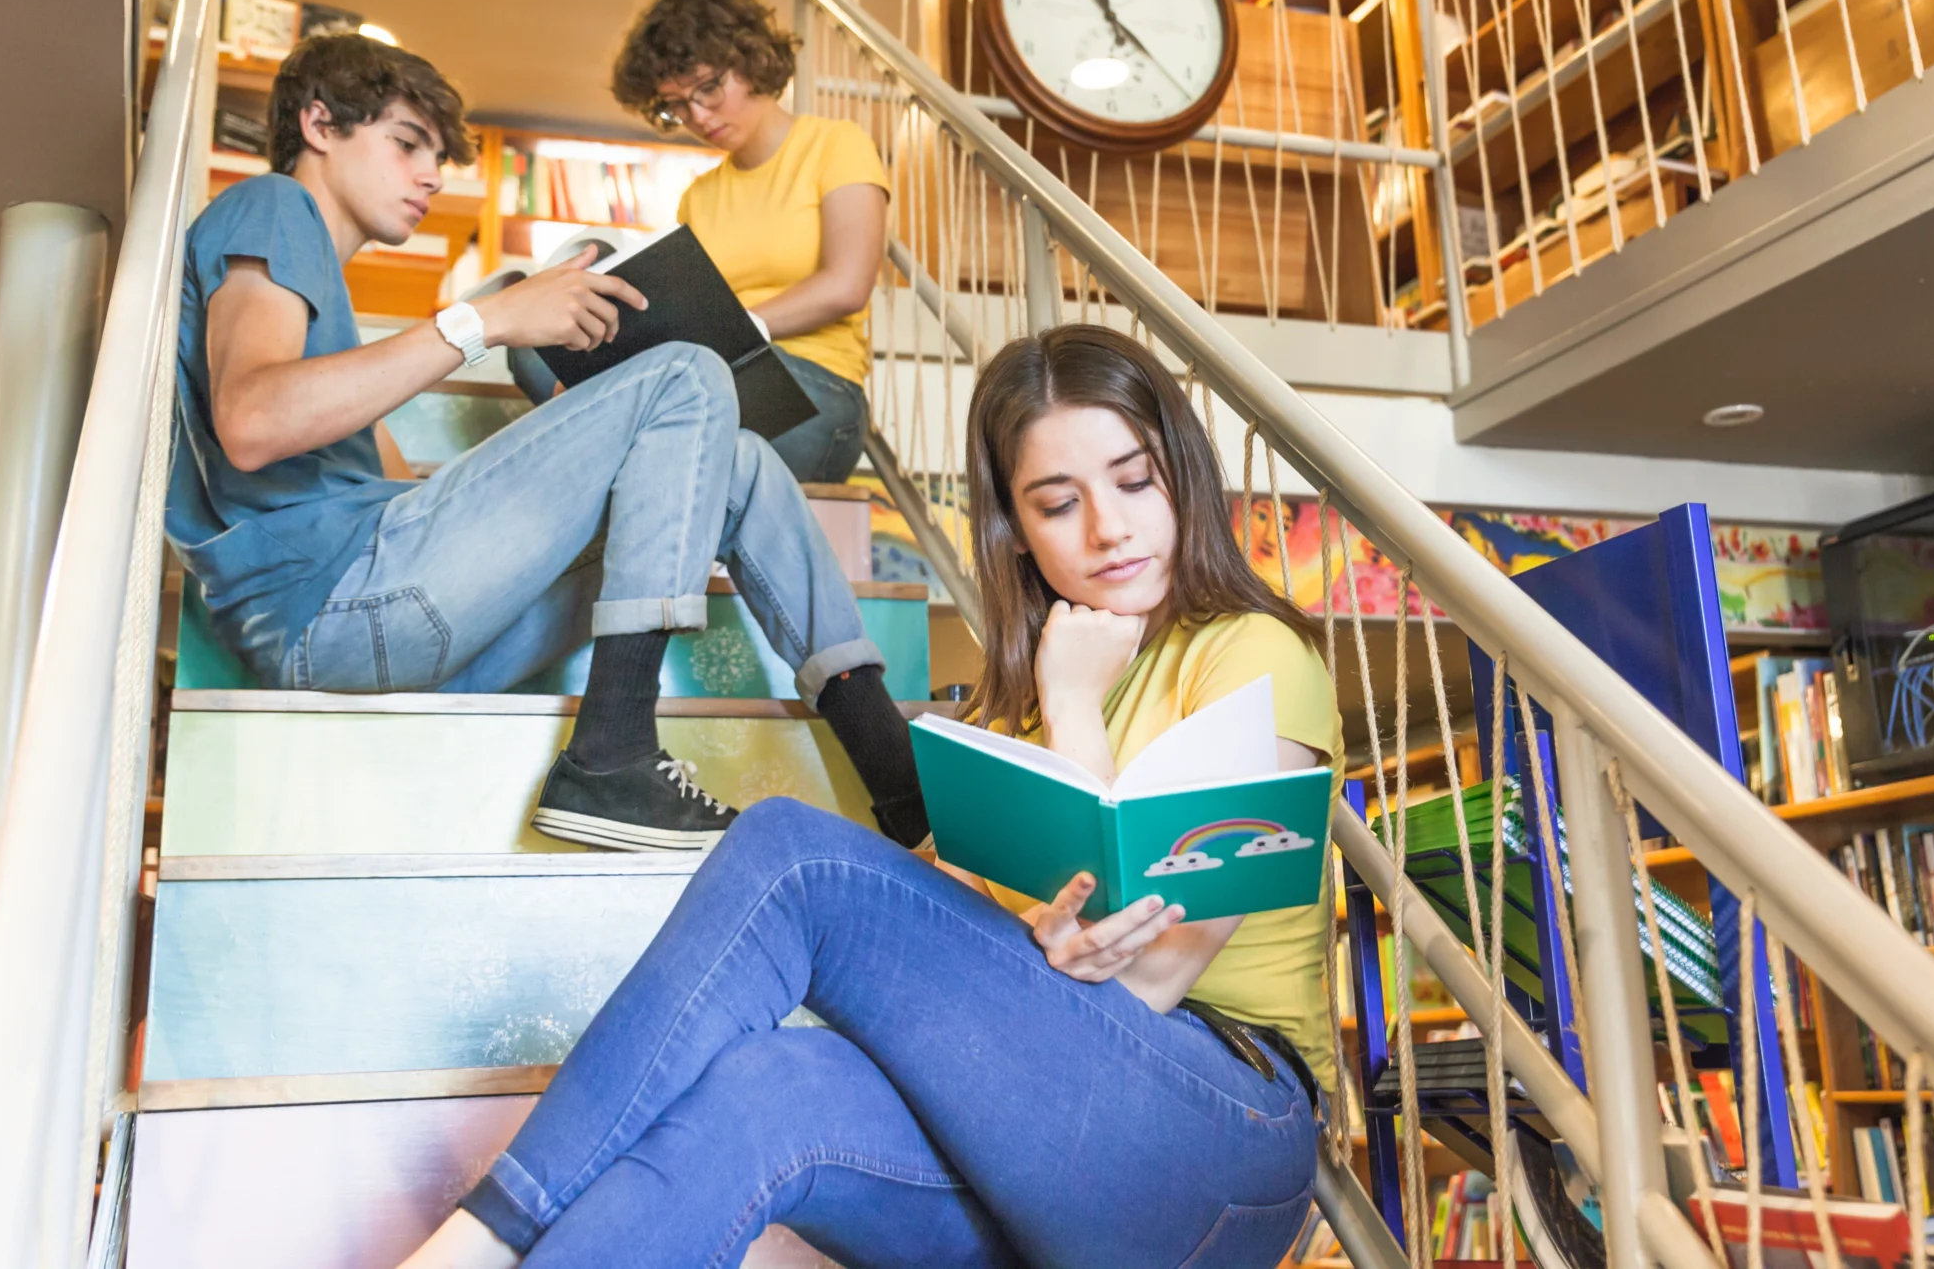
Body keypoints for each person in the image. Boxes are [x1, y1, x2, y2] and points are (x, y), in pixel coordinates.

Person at [396, 324, 1342, 1269]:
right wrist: (1020, 924)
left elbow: (1147, 983)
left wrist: (1072, 703)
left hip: (1221, 1147)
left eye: (1136, 481)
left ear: (1184, 476)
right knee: (764, 1091)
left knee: (795, 857)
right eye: (1059, 503)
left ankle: (479, 1240)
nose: (1109, 528)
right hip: (1042, 1151)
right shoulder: (1006, 712)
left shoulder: (1256, 655)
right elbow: (938, 945)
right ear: (1016, 532)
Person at [166, 33, 926, 850]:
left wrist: (594, 433)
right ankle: (614, 747)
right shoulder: (272, 205)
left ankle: (902, 785)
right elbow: (253, 422)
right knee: (685, 370)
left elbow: (410, 503)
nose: (432, 174)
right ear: (319, 124)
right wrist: (484, 319)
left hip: (401, 622)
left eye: (438, 156)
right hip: (339, 611)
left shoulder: (329, 317)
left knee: (735, 459)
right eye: (407, 144)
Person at [609, 0, 885, 485]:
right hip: (712, 376)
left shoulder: (836, 145)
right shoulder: (697, 198)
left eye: (708, 88)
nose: (697, 116)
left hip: (814, 388)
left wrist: (738, 329)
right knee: (538, 360)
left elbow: (848, 286)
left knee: (653, 403)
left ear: (750, 58)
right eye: (676, 106)